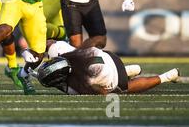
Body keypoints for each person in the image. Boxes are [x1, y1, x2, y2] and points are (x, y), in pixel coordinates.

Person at [35, 40, 180, 95]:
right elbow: (49, 42)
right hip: (110, 56)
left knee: (122, 90)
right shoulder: (60, 49)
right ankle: (128, 70)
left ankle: (166, 77)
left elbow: (102, 92)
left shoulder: (76, 86)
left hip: (111, 74)